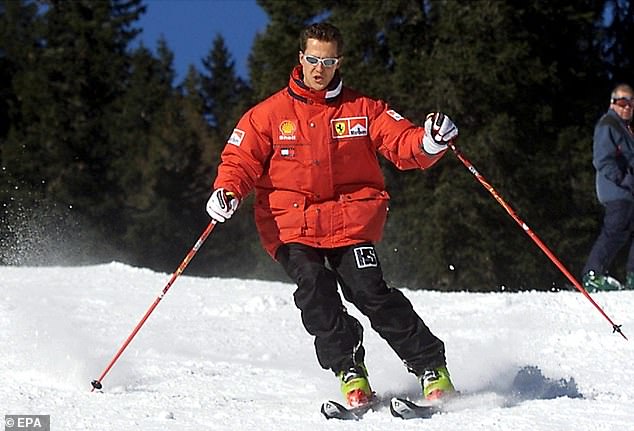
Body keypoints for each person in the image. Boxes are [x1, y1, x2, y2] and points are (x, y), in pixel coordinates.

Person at [206, 22, 457, 407]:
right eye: (312, 59)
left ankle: (430, 367)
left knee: (370, 292)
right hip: (292, 224)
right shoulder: (268, 115)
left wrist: (429, 140)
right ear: (300, 59)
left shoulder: (364, 110)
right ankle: (349, 369)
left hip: (351, 222)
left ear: (339, 62)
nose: (319, 68)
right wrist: (226, 192)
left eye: (328, 60)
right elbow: (240, 160)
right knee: (315, 290)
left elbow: (403, 143)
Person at [582, 83, 634, 292]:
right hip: (616, 191)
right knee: (616, 230)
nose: (627, 107)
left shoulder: (625, 128)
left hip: (628, 191)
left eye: (631, 103)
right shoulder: (608, 125)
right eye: (622, 102)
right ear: (613, 103)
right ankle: (592, 273)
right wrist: (624, 179)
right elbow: (603, 159)